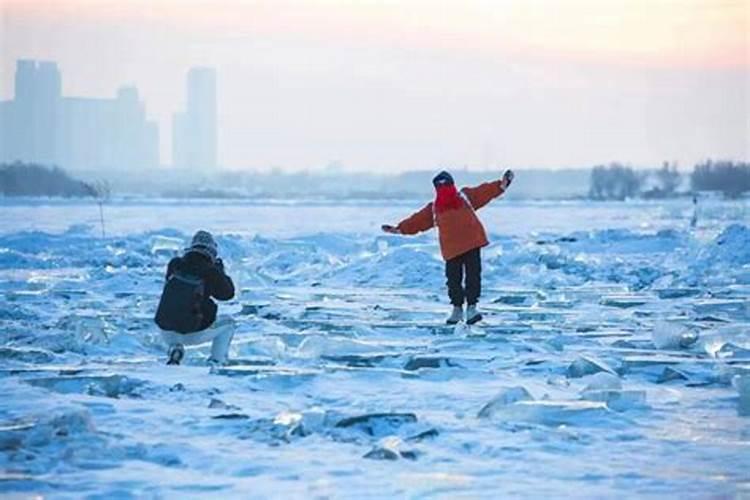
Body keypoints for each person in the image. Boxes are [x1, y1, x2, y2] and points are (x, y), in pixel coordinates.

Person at [382, 170, 514, 325]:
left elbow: (483, 192)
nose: (444, 189)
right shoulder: (434, 209)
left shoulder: (465, 196)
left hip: (471, 243)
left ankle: (471, 308)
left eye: (447, 184)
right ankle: (457, 310)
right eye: (440, 186)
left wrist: (501, 185)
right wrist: (400, 228)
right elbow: (417, 221)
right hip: (452, 250)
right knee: (453, 280)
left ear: (452, 184)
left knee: (473, 277)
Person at [154, 230, 236, 365]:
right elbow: (227, 294)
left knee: (174, 314)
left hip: (165, 330)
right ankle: (217, 360)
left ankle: (175, 349)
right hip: (193, 331)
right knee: (229, 324)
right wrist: (220, 271)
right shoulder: (211, 270)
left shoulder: (175, 264)